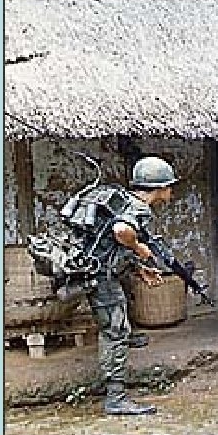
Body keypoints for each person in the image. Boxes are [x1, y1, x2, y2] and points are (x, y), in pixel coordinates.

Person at [68, 156, 179, 415]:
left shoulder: (124, 200)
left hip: (98, 271)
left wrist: (140, 268)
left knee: (119, 327)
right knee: (115, 332)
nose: (171, 191)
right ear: (160, 188)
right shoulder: (138, 209)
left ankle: (116, 388)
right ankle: (115, 398)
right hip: (101, 278)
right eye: (170, 186)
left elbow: (112, 243)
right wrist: (139, 247)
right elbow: (120, 232)